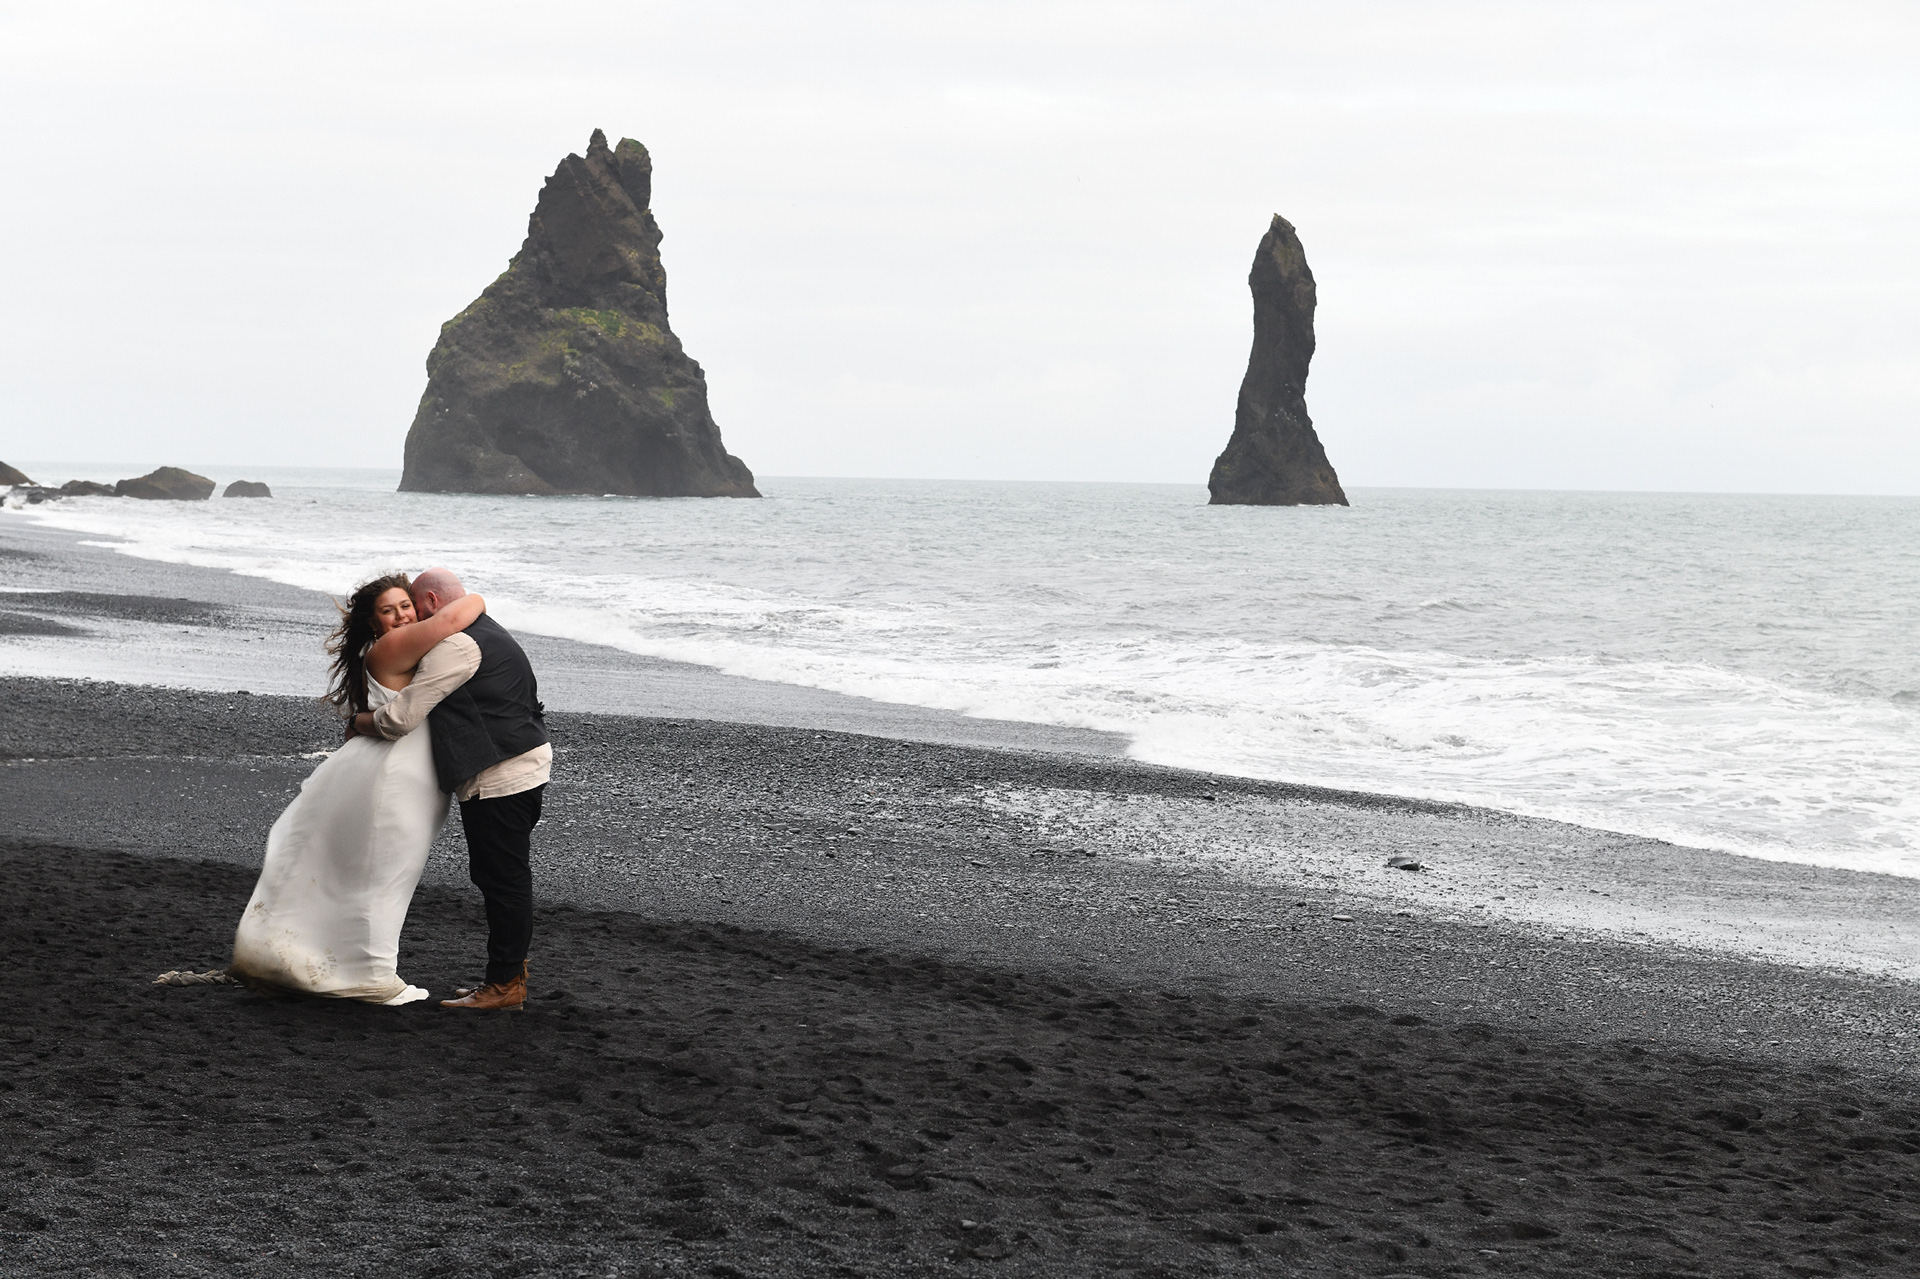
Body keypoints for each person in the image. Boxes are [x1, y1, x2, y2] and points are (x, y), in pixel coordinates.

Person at [229, 573, 485, 1003]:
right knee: (383, 874)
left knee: (378, 873)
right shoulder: (392, 646)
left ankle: (340, 963)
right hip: (396, 776)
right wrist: (474, 595)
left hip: (405, 772)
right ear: (373, 623)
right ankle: (372, 977)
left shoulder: (396, 643)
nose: (403, 615)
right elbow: (461, 611)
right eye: (389, 610)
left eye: (406, 605)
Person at [349, 566, 550, 1012]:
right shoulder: (489, 630)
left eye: (414, 607)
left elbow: (400, 719)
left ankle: (505, 986)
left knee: (504, 882)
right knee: (502, 878)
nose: (413, 620)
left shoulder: (456, 647)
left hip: (500, 773)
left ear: (434, 604)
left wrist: (358, 722)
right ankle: (504, 976)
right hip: (523, 762)